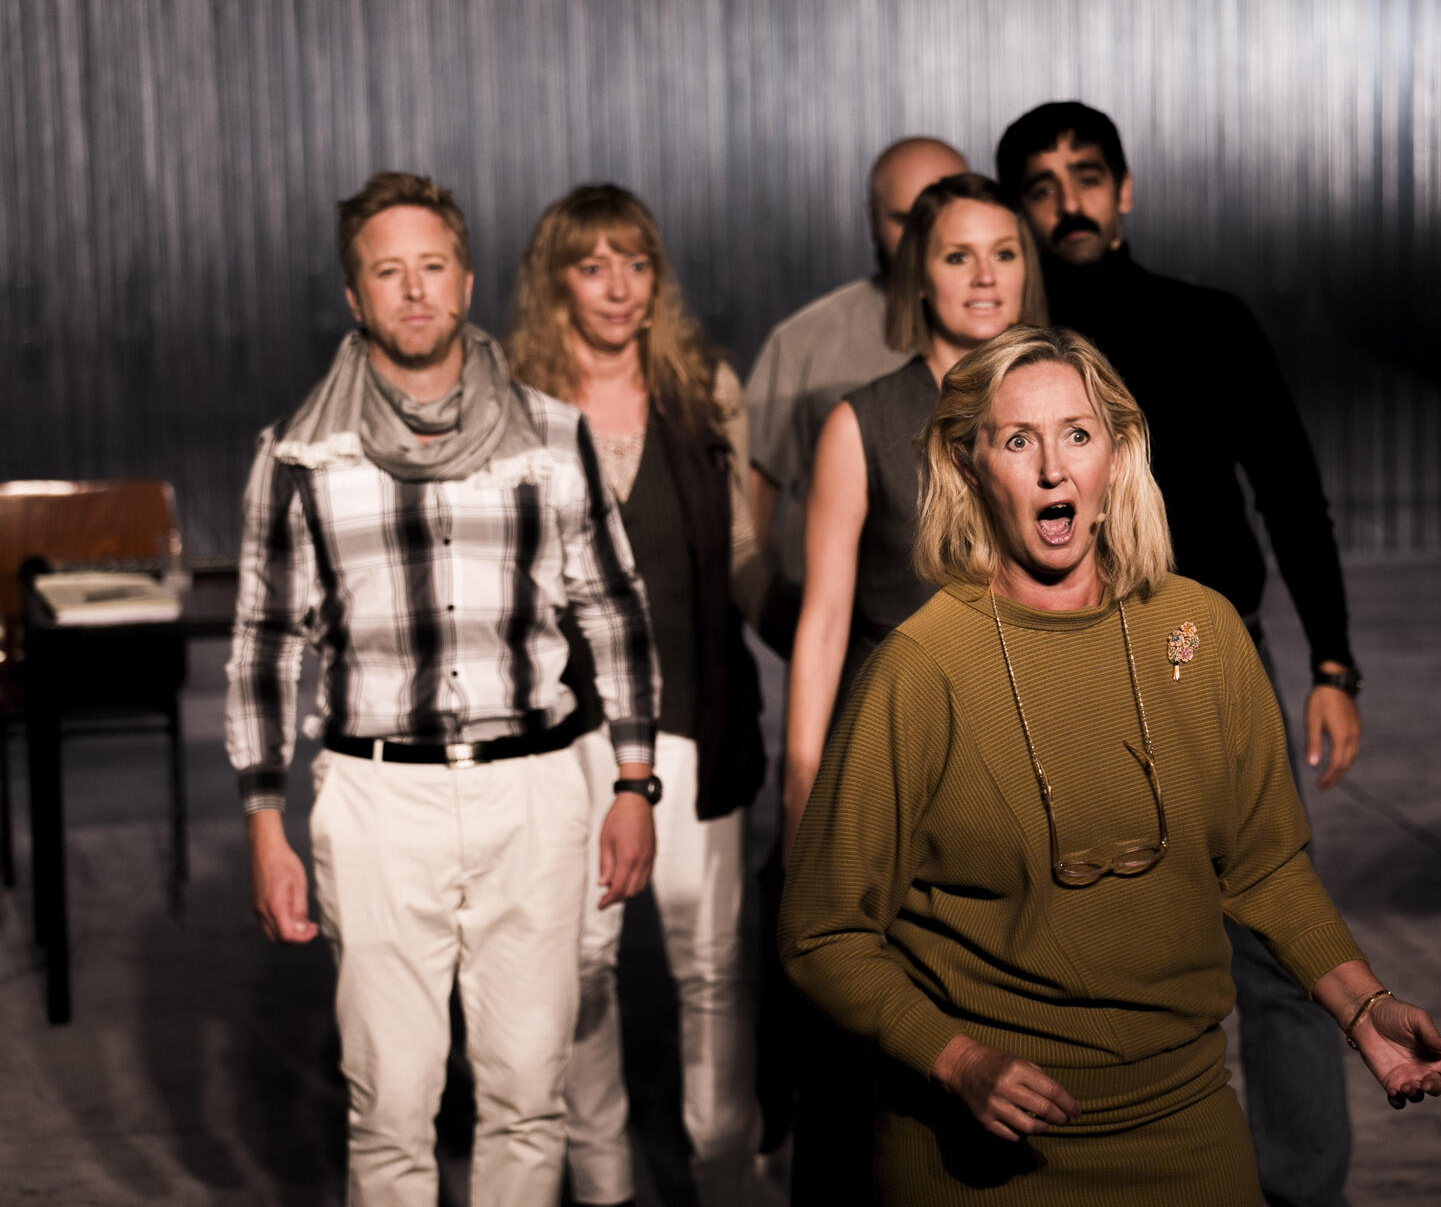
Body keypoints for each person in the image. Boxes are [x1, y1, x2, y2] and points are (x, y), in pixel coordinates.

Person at [779, 325, 1441, 1205]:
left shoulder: (1200, 631)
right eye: (1017, 441)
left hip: (1187, 1129)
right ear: (969, 467)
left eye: (1077, 433)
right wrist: (955, 1058)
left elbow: (1265, 866)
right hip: (977, 1157)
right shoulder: (920, 670)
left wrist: (1365, 1006)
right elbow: (822, 932)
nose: (1052, 469)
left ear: (1117, 455)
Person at [229, 171, 659, 1207]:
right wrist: (263, 822)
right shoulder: (300, 455)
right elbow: (265, 643)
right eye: (390, 272)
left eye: (432, 267)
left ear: (465, 282)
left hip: (536, 788)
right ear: (355, 296)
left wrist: (633, 781)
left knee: (528, 1097)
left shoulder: (552, 436)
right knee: (390, 1106)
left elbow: (614, 607)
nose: (415, 290)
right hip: (378, 797)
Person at [998, 101, 1364, 1206]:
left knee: (1279, 945)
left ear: (1125, 190)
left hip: (1211, 662)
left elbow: (1292, 494)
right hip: (1053, 674)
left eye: (1088, 176)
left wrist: (1334, 665)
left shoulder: (1210, 321)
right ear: (1018, 208)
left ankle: (1303, 1194)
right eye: (1043, 185)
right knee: (1073, 960)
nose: (1070, 202)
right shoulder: (1007, 362)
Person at [507, 184, 766, 1207]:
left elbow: (741, 550)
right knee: (580, 966)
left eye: (637, 262)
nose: (619, 287)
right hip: (564, 731)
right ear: (556, 282)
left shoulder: (704, 389)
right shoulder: (515, 403)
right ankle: (604, 1180)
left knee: (713, 966)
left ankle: (723, 1172)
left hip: (695, 712)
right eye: (593, 265)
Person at [781, 172, 1046, 855]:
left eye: (1004, 253)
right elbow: (825, 621)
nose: (985, 276)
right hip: (902, 745)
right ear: (919, 277)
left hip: (1045, 733)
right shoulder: (860, 423)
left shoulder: (1073, 404)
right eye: (958, 256)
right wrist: (801, 779)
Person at [743, 136, 967, 653]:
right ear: (871, 219)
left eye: (942, 215)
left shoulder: (1027, 341)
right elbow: (745, 513)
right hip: (847, 648)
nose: (925, 240)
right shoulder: (806, 341)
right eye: (905, 220)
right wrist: (781, 622)